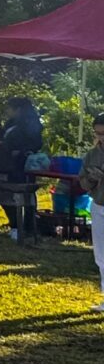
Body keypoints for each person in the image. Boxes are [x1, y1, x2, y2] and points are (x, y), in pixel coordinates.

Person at [79, 114, 104, 311]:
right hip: (99, 204)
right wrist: (91, 181)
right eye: (98, 134)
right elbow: (83, 181)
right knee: (101, 255)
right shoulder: (92, 154)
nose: (101, 138)